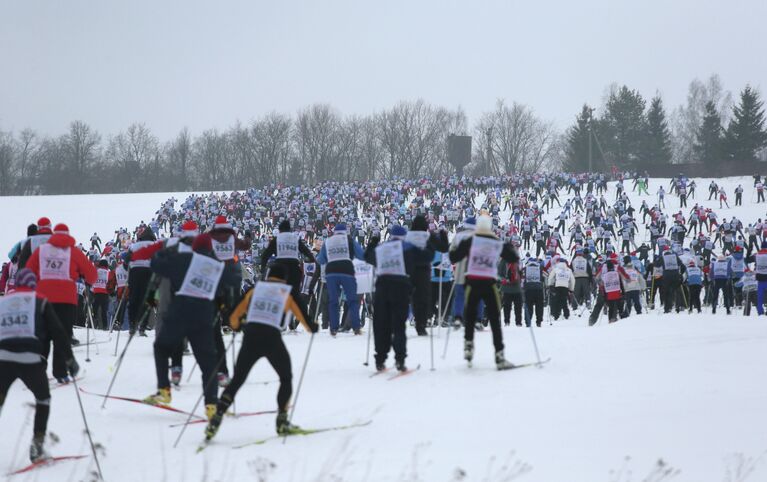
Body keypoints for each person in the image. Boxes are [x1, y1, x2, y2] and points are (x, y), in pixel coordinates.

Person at [203, 264, 319, 441]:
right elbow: (305, 319)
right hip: (272, 338)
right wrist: (313, 327)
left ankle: (217, 416)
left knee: (237, 380)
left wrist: (239, 325)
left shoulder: (255, 289)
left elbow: (233, 318)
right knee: (285, 378)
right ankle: (281, 421)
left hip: (251, 337)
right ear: (284, 278)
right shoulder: (287, 291)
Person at [143, 234, 240, 420]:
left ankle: (164, 389)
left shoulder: (185, 258)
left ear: (194, 247)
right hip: (204, 314)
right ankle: (211, 404)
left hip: (180, 310)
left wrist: (162, 252)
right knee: (208, 363)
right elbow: (232, 282)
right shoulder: (217, 266)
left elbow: (156, 265)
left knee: (161, 347)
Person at [0, 269, 79, 462]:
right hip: (31, 359)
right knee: (43, 399)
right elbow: (58, 332)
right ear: (33, 283)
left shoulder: (3, 302)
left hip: (3, 359)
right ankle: (37, 446)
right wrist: (69, 359)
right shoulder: (40, 300)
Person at [25, 223, 96, 382]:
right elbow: (92, 275)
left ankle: (38, 371)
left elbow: (28, 271)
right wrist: (81, 274)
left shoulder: (41, 250)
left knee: (43, 334)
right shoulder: (74, 251)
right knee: (62, 334)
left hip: (43, 297)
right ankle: (61, 372)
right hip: (66, 299)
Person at [449, 215, 520, 369]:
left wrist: (453, 248)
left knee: (469, 314)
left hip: (472, 282)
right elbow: (513, 258)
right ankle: (499, 355)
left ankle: (468, 345)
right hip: (489, 282)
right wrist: (508, 246)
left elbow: (454, 257)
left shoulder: (470, 241)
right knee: (494, 318)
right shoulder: (496, 242)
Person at [365, 225, 431, 371]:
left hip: (382, 287)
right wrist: (429, 242)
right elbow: (427, 257)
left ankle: (380, 358)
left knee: (381, 323)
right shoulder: (408, 247)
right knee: (398, 324)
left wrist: (373, 242)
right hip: (400, 287)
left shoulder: (381, 248)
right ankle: (400, 359)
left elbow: (367, 257)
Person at [316, 224, 365, 336]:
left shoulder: (328, 241)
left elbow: (321, 260)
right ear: (345, 232)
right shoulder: (350, 240)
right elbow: (362, 255)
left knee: (333, 300)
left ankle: (333, 328)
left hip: (331, 271)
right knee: (352, 300)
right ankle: (356, 328)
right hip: (347, 270)